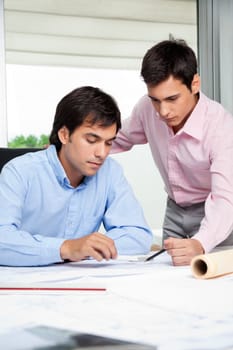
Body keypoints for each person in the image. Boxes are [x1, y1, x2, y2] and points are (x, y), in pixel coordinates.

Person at [111, 39, 233, 266]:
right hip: (174, 210)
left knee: (211, 279)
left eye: (172, 99)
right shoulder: (147, 109)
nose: (163, 111)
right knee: (167, 278)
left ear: (195, 84)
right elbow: (119, 138)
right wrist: (70, 148)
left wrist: (201, 243)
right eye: (155, 100)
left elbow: (225, 199)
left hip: (214, 213)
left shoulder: (221, 127)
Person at [0, 86, 152, 267]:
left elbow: (138, 235)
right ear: (64, 135)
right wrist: (66, 248)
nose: (102, 153)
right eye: (92, 140)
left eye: (109, 143)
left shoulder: (110, 172)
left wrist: (91, 247)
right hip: (22, 285)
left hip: (83, 283)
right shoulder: (19, 172)